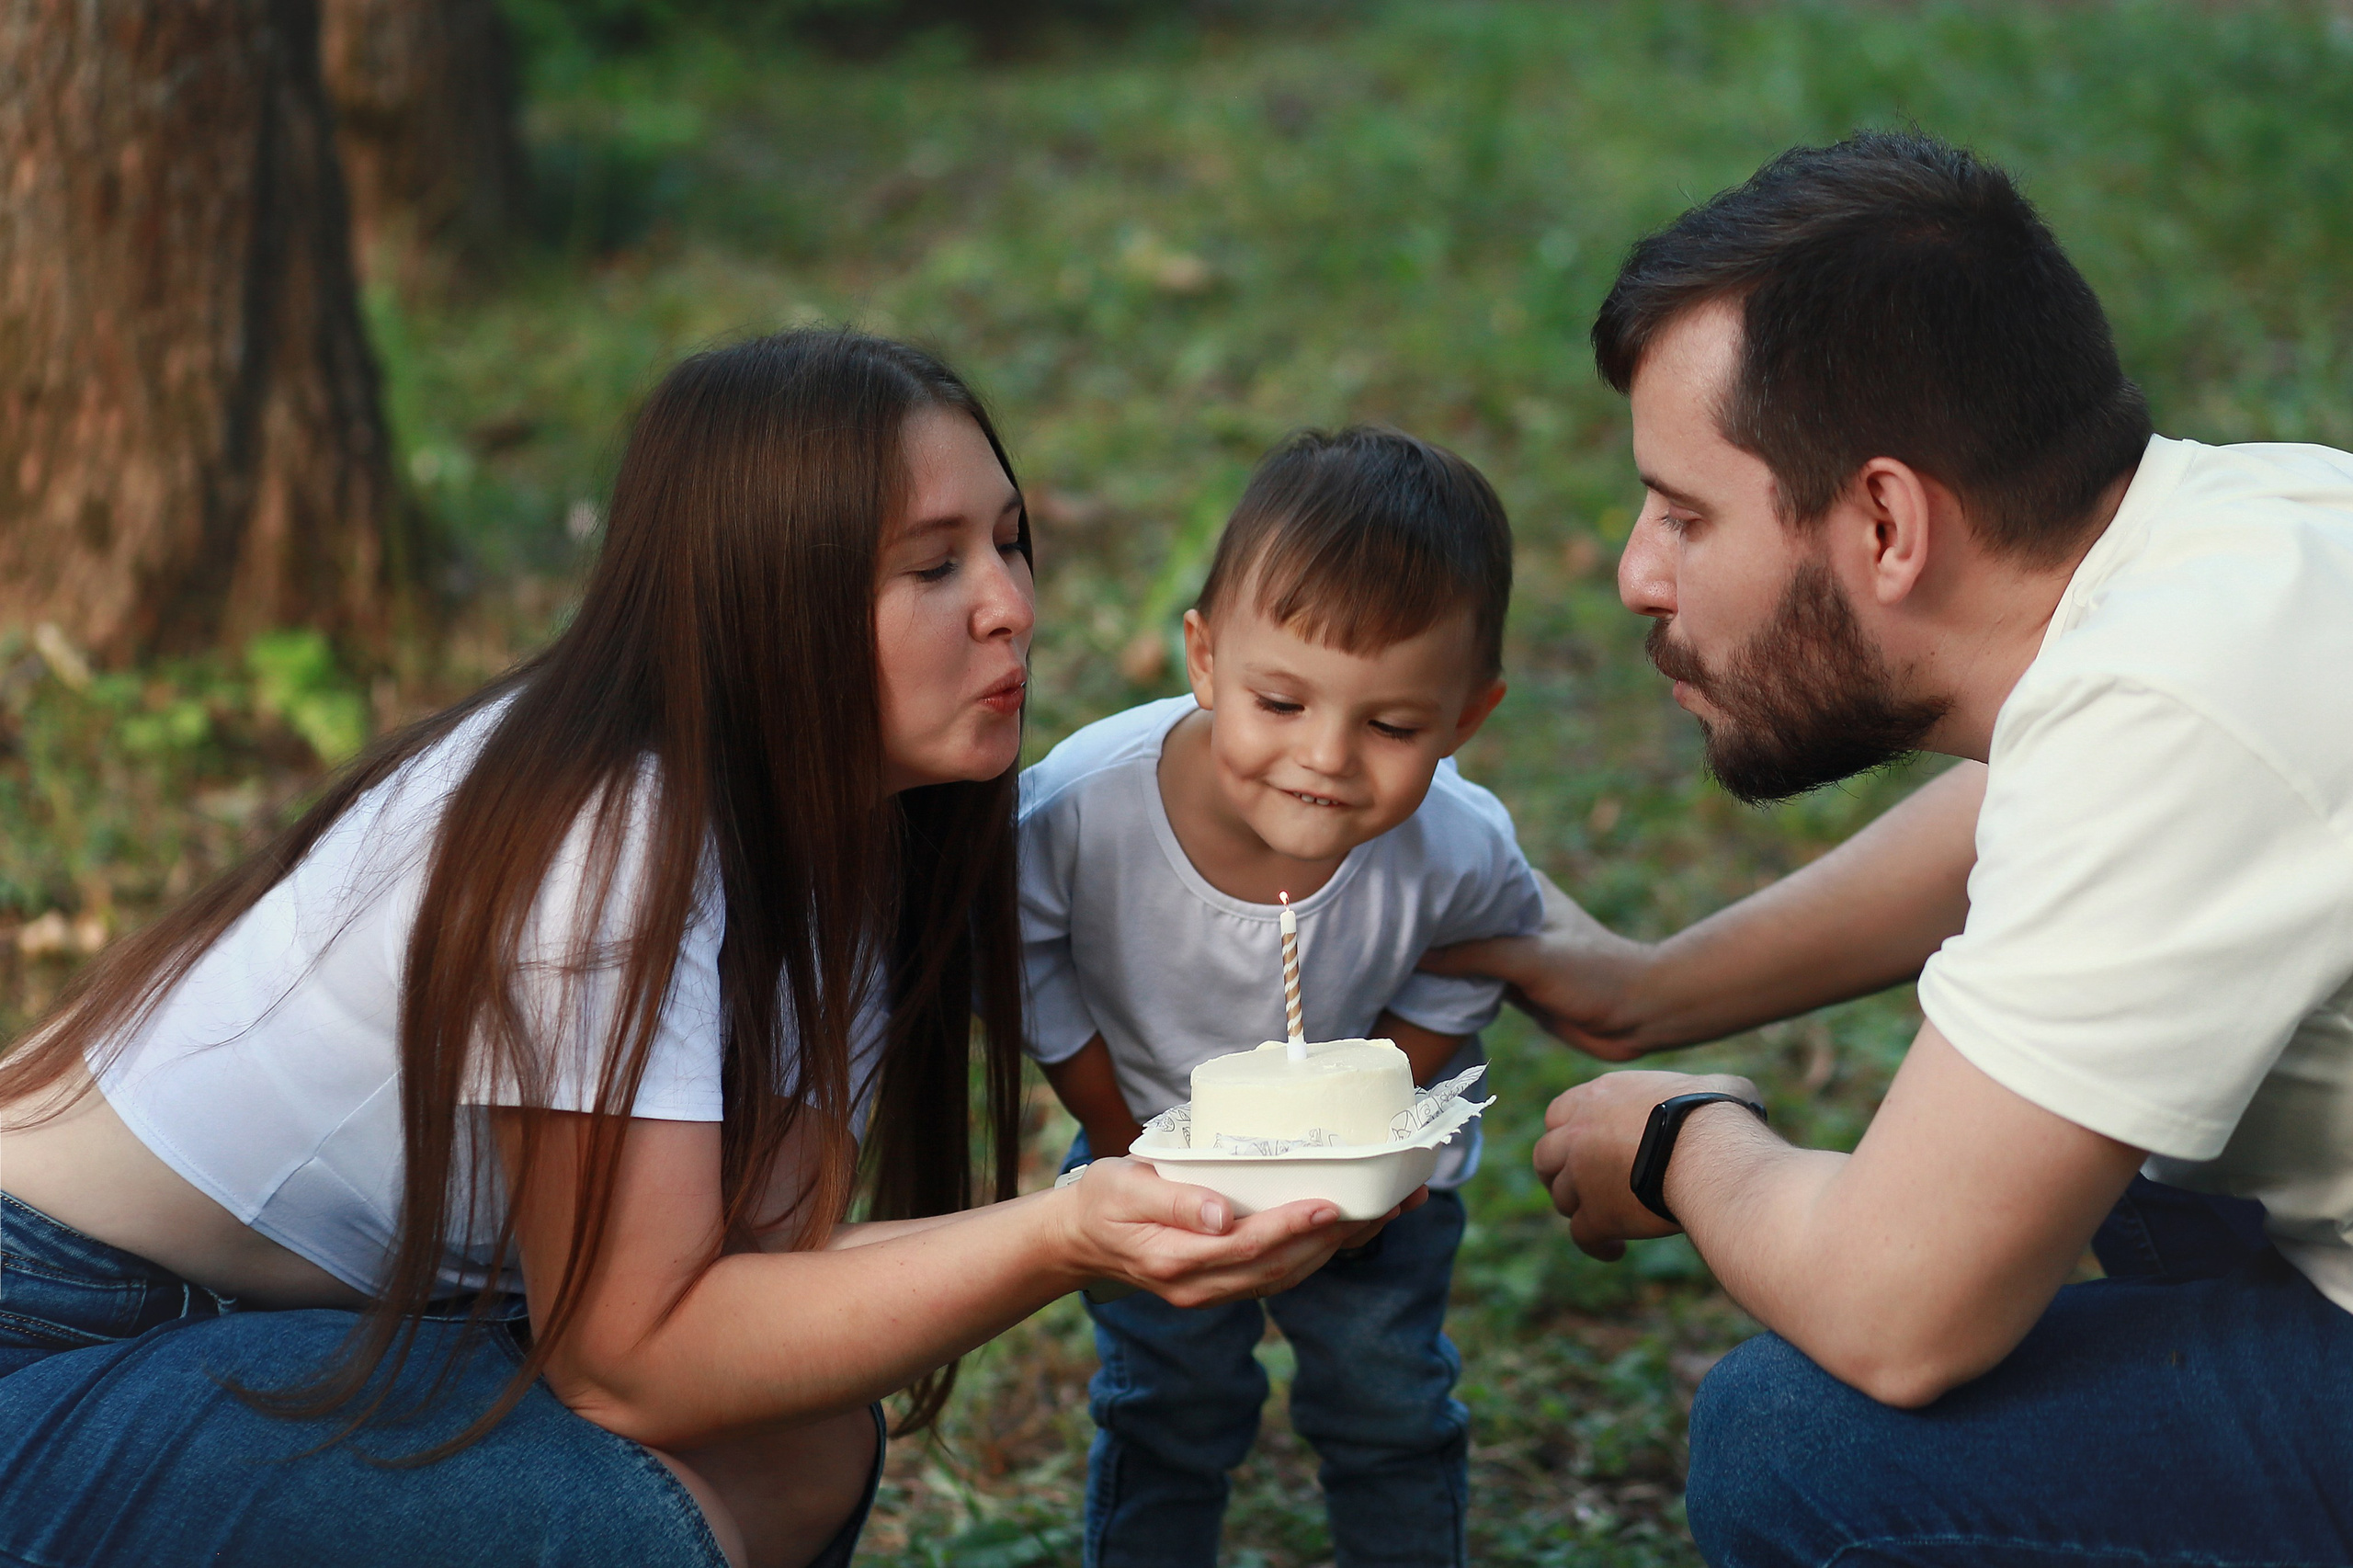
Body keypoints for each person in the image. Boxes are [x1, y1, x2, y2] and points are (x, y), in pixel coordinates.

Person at [0, 329, 1388, 1568]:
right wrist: (1066, 1232)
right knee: (621, 1527)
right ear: (769, 597)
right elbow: (632, 1363)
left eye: (1010, 542)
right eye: (933, 565)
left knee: (801, 1444)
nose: (1011, 604)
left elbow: (759, 1272)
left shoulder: (845, 830)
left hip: (298, 1318)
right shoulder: (603, 832)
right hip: (54, 1323)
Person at [1427, 131, 2353, 1565]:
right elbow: (2027, 805)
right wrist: (1647, 989)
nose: (1636, 573)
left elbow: (1897, 1311)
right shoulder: (2248, 532)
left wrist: (1683, 1145)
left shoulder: (2174, 713)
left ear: (1883, 520)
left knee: (1803, 1450)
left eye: (1686, 514)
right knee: (2115, 1169)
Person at [1020, 426, 1544, 1568]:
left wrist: (1376, 1130)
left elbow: (1473, 956)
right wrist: (1115, 1126)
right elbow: (1024, 952)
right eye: (1280, 701)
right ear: (1204, 658)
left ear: (1466, 717)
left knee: (1388, 1411)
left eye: (1392, 724)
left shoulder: (1460, 847)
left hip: (1375, 1206)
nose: (1327, 757)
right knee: (1167, 1409)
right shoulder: (1078, 813)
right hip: (1151, 1165)